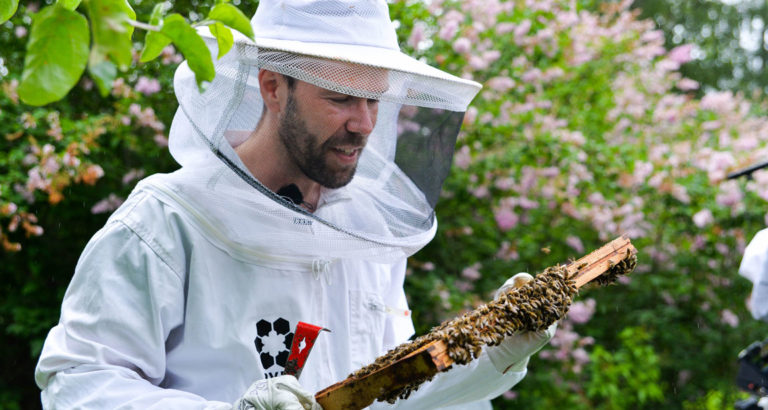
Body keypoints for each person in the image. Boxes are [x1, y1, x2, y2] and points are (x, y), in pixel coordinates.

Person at [34, 1, 557, 408]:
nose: (364, 124)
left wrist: (495, 351)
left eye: (373, 99)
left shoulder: (368, 229)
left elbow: (391, 395)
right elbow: (78, 381)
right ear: (272, 87)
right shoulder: (168, 220)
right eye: (340, 98)